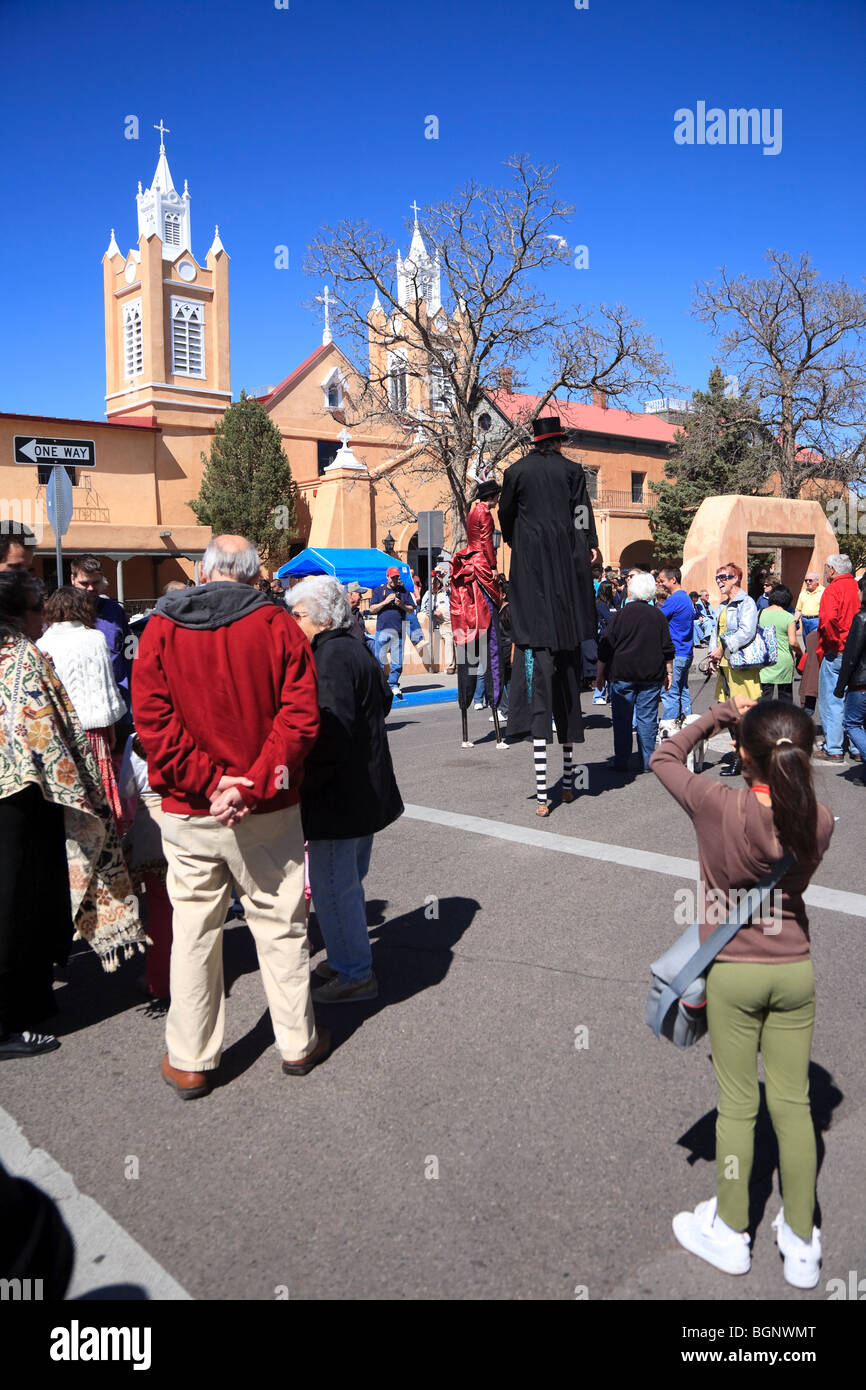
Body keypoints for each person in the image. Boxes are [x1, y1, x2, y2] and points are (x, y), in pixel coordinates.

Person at [651, 696, 834, 1289]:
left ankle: (732, 1230)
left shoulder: (715, 805)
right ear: (804, 756)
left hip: (733, 970)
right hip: (793, 968)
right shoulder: (820, 819)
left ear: (743, 756)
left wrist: (719, 714)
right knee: (794, 1106)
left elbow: (664, 755)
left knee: (737, 1105)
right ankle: (801, 1240)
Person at [133, 534, 324, 1099]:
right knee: (281, 924)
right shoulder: (278, 625)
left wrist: (210, 783)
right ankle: (297, 1042)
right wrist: (250, 783)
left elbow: (153, 723)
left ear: (204, 572)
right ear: (253, 574)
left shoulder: (162, 628)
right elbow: (299, 718)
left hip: (192, 810)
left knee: (195, 932)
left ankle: (191, 1059)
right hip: (268, 807)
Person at [0, 573, 144, 1058]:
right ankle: (10, 1020)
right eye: (35, 610)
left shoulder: (26, 652)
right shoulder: (24, 658)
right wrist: (83, 791)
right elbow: (47, 732)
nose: (42, 619)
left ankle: (27, 1003)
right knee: (18, 903)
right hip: (25, 800)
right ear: (17, 616)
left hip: (19, 797)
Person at [285, 577, 403, 1001]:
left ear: (321, 618)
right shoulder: (352, 647)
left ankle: (354, 974)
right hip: (360, 792)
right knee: (345, 883)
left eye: (297, 615)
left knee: (334, 887)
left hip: (340, 798)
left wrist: (304, 784)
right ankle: (344, 959)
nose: (292, 622)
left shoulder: (331, 656)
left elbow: (331, 733)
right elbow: (383, 701)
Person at [499, 417, 598, 813]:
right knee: (568, 694)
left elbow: (505, 516)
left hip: (532, 591)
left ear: (534, 441)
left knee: (540, 695)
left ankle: (543, 794)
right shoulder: (572, 471)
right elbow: (581, 514)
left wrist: (520, 538)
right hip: (567, 599)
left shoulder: (516, 472)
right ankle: (569, 784)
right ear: (557, 441)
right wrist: (587, 543)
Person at [37, 586, 127, 819]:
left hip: (61, 729)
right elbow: (104, 686)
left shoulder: (42, 644)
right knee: (100, 784)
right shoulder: (95, 638)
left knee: (70, 787)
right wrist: (111, 728)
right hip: (94, 728)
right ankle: (107, 829)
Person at [596, 571, 674, 771]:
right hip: (651, 675)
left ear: (632, 591)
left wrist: (600, 674)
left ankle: (621, 760)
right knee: (647, 719)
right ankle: (647, 761)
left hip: (622, 673)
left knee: (622, 719)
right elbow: (667, 647)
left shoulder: (620, 615)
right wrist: (669, 672)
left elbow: (605, 647)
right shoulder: (657, 615)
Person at [118, 733, 173, 1005]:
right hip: (191, 817)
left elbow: (126, 790)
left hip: (153, 827)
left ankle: (160, 981)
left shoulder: (138, 738)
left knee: (161, 907)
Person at [450, 480, 508, 721]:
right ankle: (494, 695)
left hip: (470, 561)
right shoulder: (484, 513)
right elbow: (485, 542)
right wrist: (493, 566)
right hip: (480, 564)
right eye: (497, 497)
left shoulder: (472, 511)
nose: (497, 501)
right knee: (491, 633)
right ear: (492, 496)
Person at [708, 561, 761, 776]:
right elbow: (715, 632)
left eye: (724, 577)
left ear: (736, 578)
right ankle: (741, 755)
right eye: (717, 578)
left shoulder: (746, 603)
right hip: (725, 664)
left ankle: (745, 758)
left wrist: (722, 648)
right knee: (729, 712)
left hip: (741, 665)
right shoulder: (723, 605)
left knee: (742, 713)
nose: (719, 581)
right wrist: (712, 655)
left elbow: (747, 631)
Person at [70, 555, 133, 713]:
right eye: (84, 583)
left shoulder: (115, 610)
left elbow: (130, 646)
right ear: (73, 579)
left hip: (119, 697)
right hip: (81, 703)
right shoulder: (62, 612)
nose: (91, 588)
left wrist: (134, 678)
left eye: (96, 582)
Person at [815, 554, 860, 763]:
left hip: (838, 652)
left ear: (832, 569)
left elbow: (827, 619)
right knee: (855, 699)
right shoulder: (858, 587)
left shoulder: (833, 589)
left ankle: (834, 748)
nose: (825, 572)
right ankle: (857, 746)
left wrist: (834, 644)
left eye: (826, 568)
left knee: (833, 700)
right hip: (858, 653)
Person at [834, 575, 866, 782]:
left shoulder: (861, 618)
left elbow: (851, 656)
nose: (857, 593)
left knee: (852, 723)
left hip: (861, 682)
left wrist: (841, 685)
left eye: (859, 589)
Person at [369, 567, 417, 699]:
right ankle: (379, 685)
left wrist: (401, 605)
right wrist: (385, 602)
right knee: (379, 660)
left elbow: (411, 610)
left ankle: (393, 684)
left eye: (397, 577)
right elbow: (372, 609)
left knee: (397, 661)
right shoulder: (379, 591)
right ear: (387, 577)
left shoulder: (403, 591)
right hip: (382, 630)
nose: (395, 580)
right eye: (393, 577)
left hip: (398, 631)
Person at [658, 567, 695, 722]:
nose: (660, 584)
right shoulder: (685, 597)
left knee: (670, 693)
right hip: (686, 652)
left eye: (662, 581)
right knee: (683, 690)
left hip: (676, 653)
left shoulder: (674, 599)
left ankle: (669, 726)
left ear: (673, 580)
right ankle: (688, 723)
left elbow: (658, 619)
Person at [758, 585, 799, 703]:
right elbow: (793, 642)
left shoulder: (759, 613)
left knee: (763, 699)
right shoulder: (788, 617)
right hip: (784, 662)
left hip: (765, 660)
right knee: (785, 700)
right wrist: (800, 653)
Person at [421, 574, 456, 673]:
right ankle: (450, 666)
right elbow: (423, 608)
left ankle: (459, 665)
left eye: (434, 583)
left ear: (438, 584)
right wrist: (433, 612)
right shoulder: (428, 594)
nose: (432, 585)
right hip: (442, 622)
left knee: (459, 639)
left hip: (453, 618)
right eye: (430, 583)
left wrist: (449, 591)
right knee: (449, 638)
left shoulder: (445, 592)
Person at [592, 579, 616, 704]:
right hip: (603, 638)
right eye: (612, 588)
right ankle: (598, 695)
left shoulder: (612, 603)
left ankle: (611, 696)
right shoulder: (600, 605)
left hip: (613, 638)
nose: (615, 590)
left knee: (610, 667)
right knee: (602, 666)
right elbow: (609, 619)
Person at [793, 572, 824, 644]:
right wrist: (793, 622)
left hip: (817, 621)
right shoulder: (803, 592)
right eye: (806, 580)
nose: (807, 582)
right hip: (804, 621)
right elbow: (798, 610)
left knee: (814, 644)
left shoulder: (823, 592)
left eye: (810, 580)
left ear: (817, 581)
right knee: (806, 643)